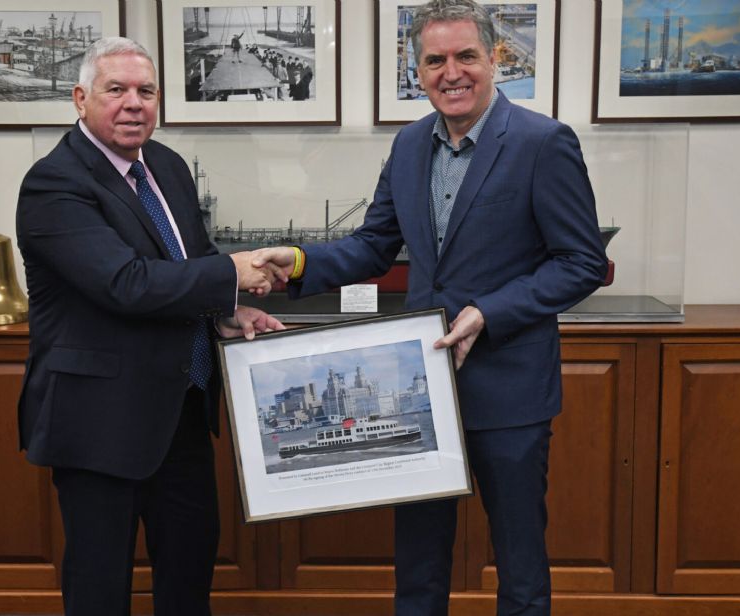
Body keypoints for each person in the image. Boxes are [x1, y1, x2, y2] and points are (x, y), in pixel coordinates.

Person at [252, 1, 608, 614]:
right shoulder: (411, 144)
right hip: (419, 390)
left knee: (519, 567)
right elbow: (372, 245)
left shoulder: (542, 142)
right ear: (417, 70)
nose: (452, 72)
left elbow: (581, 263)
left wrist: (486, 312)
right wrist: (300, 263)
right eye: (435, 60)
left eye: (466, 55)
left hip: (509, 392)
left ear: (493, 58)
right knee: (417, 568)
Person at [16, 37, 285, 616]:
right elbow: (127, 283)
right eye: (116, 90)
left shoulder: (165, 165)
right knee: (100, 589)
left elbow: (185, 263)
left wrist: (226, 311)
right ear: (80, 99)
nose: (134, 104)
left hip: (181, 414)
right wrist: (232, 274)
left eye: (146, 91)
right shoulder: (53, 184)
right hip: (98, 425)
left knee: (189, 580)